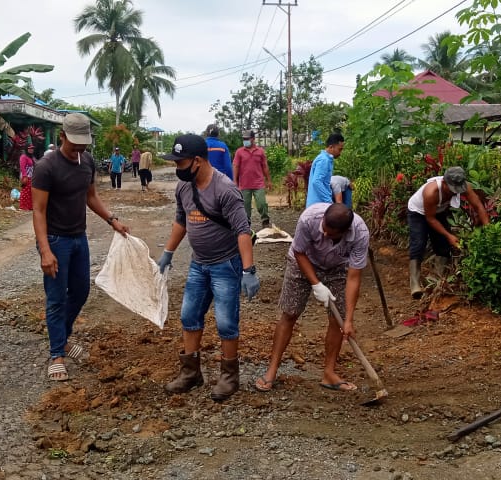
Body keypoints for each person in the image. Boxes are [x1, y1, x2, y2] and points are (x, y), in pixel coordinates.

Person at [155, 133, 260, 402]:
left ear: (198, 161)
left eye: (181, 163)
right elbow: (181, 220)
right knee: (189, 316)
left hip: (226, 265)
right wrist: (168, 252)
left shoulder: (225, 190)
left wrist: (248, 271)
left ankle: (229, 376)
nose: (177, 168)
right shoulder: (184, 188)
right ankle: (191, 373)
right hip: (198, 265)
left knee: (226, 322)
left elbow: (242, 231)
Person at [32, 113, 131, 381]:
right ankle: (56, 354)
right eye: (74, 144)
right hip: (55, 239)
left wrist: (112, 220)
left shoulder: (86, 161)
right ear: (62, 136)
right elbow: (38, 210)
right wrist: (45, 250)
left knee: (81, 291)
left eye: (83, 144)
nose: (79, 149)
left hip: (79, 237)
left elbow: (91, 196)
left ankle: (62, 338)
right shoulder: (46, 167)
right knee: (56, 298)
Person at [253, 203, 369, 393]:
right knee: (289, 313)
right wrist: (316, 283)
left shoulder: (360, 234)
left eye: (330, 234)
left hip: (336, 268)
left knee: (337, 319)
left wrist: (348, 319)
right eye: (323, 229)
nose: (324, 235)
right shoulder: (309, 219)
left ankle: (329, 374)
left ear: (344, 232)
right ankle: (271, 370)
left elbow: (354, 277)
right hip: (302, 262)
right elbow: (299, 251)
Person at [406, 166, 490, 298]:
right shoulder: (431, 192)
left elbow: (478, 206)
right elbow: (430, 219)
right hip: (418, 212)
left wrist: (490, 231)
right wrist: (449, 235)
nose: (454, 193)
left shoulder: (465, 186)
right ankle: (415, 284)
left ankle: (436, 279)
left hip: (438, 211)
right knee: (418, 243)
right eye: (452, 190)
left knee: (443, 245)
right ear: (444, 183)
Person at [232, 129, 271, 229]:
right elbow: (235, 166)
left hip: (258, 183)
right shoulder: (239, 152)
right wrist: (235, 181)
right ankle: (246, 224)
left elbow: (265, 166)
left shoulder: (260, 151)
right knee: (245, 206)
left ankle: (265, 220)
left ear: (253, 139)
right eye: (244, 139)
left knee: (262, 203)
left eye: (247, 139)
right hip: (244, 184)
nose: (245, 141)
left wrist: (269, 180)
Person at [305, 133, 345, 207]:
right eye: (340, 149)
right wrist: (329, 202)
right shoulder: (324, 160)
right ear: (331, 147)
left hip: (319, 204)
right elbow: (316, 182)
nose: (340, 153)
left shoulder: (325, 158)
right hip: (318, 205)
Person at [19, 145, 35, 211]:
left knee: (30, 192)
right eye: (29, 148)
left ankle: (29, 206)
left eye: (32, 148)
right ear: (26, 149)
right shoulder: (23, 157)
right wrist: (25, 176)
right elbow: (22, 167)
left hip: (31, 176)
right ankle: (23, 206)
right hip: (26, 176)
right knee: (25, 191)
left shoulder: (30, 157)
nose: (31, 150)